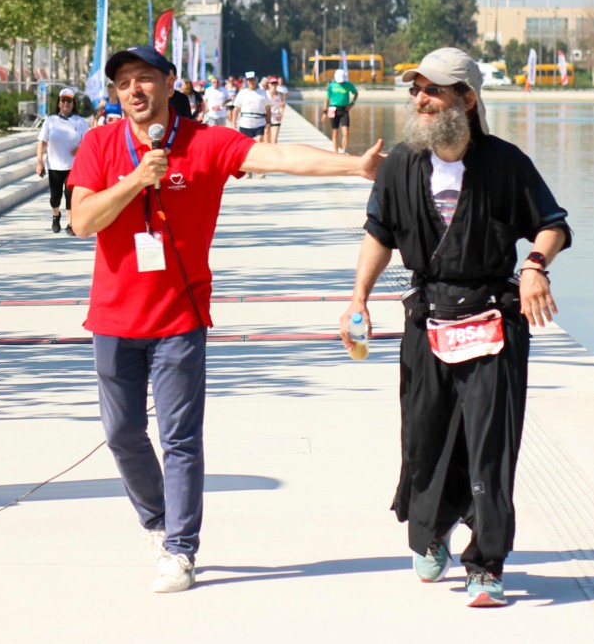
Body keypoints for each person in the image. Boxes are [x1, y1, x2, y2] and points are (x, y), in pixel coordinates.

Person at [68, 44, 384, 595]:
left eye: (144, 78)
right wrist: (137, 179)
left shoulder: (206, 142)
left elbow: (280, 159)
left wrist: (353, 165)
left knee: (180, 439)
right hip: (114, 318)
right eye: (123, 83)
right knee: (121, 434)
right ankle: (157, 520)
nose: (134, 90)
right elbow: (81, 221)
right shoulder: (100, 143)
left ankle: (180, 548)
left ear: (170, 83)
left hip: (180, 317)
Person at [340, 46, 571, 608]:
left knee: (489, 443)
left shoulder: (505, 163)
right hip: (428, 318)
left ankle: (486, 563)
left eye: (433, 91)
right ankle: (433, 530)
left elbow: (553, 224)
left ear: (466, 99)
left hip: (492, 318)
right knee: (425, 438)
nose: (420, 100)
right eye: (416, 90)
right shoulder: (401, 164)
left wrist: (534, 266)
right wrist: (358, 299)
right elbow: (378, 233)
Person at [36, 87, 89, 235]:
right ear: (59, 103)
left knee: (70, 195)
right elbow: (42, 142)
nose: (65, 103)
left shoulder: (80, 122)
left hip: (73, 166)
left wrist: (79, 150)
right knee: (55, 197)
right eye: (63, 100)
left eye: (69, 101)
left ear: (73, 104)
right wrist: (40, 162)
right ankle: (56, 215)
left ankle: (71, 224)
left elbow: (88, 142)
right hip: (55, 165)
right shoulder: (50, 121)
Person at [324, 68, 358, 153]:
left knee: (346, 132)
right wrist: (324, 112)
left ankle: (344, 151)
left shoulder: (348, 85)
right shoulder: (331, 86)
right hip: (333, 109)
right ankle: (335, 152)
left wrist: (352, 104)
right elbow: (327, 100)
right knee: (335, 132)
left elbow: (356, 93)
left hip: (344, 110)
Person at [232, 72, 268, 141]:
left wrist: (268, 122)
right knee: (245, 143)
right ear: (247, 81)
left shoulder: (262, 93)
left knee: (259, 140)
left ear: (256, 80)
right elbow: (236, 108)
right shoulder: (242, 93)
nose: (251, 82)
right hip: (245, 123)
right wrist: (234, 122)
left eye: (253, 80)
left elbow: (267, 108)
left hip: (259, 123)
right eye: (249, 80)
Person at [264, 77, 285, 144]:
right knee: (267, 141)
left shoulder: (280, 94)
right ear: (269, 84)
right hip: (266, 118)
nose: (274, 85)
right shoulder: (265, 93)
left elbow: (282, 106)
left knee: (274, 140)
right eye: (272, 83)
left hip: (276, 117)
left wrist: (281, 114)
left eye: (275, 83)